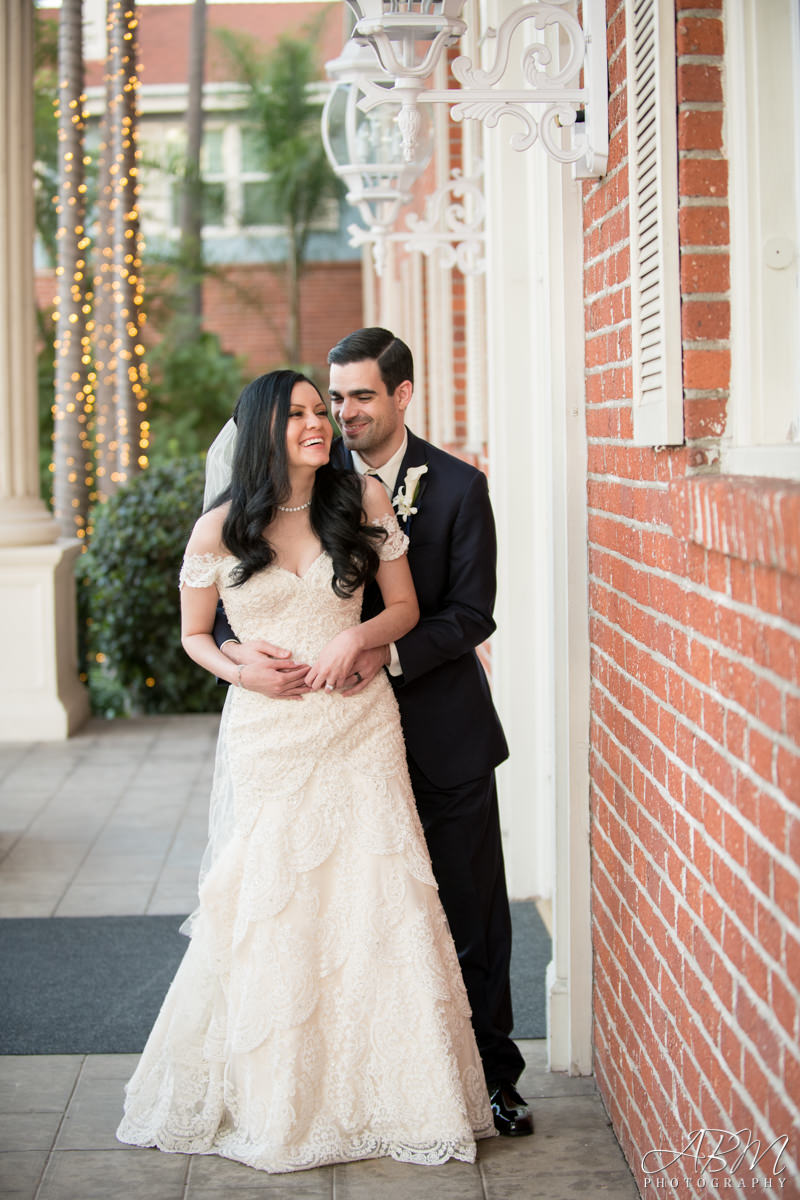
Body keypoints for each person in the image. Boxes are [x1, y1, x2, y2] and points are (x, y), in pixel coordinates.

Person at [116, 369, 495, 1173]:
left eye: (321, 411)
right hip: (269, 735)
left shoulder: (361, 503)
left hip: (358, 725)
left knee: (374, 898)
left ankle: (396, 1094)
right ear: (262, 429)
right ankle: (277, 1095)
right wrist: (238, 668)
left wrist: (357, 641)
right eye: (299, 414)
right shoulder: (217, 530)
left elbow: (405, 611)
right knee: (272, 904)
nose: (319, 424)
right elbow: (193, 638)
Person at [219, 331, 533, 1138]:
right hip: (330, 745)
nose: (343, 413)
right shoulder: (295, 487)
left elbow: (471, 613)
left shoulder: (459, 487)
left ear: (402, 396)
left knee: (469, 916)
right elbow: (230, 604)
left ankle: (494, 1081)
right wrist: (235, 656)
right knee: (358, 920)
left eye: (360, 396)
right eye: (334, 398)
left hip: (441, 734)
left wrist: (381, 652)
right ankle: (374, 1080)